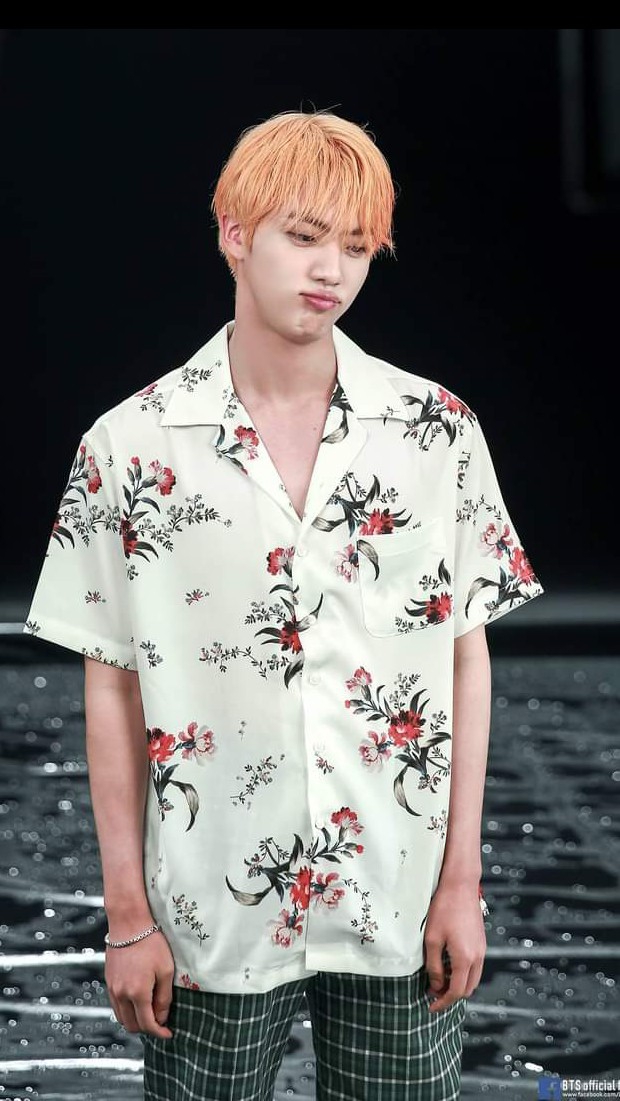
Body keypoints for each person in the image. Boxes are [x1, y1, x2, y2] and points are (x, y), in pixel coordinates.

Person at [23, 108, 544, 1100]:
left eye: (356, 245)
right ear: (233, 232)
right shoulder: (130, 446)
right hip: (206, 907)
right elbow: (112, 686)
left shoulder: (434, 432)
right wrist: (126, 915)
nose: (330, 270)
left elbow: (463, 659)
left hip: (396, 893)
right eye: (304, 236)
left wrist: (461, 881)